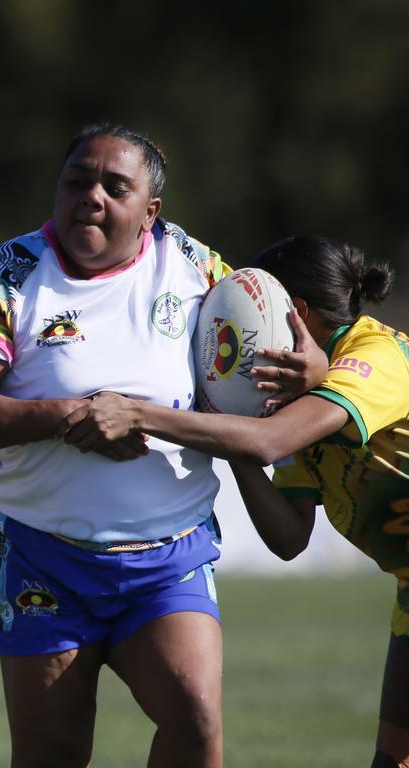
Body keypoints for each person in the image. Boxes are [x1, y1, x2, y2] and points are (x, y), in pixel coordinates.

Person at [0, 122, 320, 768]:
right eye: (77, 181)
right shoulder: (5, 278)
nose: (92, 197)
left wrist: (317, 369)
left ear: (151, 212)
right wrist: (66, 415)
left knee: (196, 718)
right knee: (54, 753)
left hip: (169, 557)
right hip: (44, 560)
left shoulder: (195, 266)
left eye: (114, 186)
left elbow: (273, 341)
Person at [60, 234, 408, 767]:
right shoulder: (294, 403)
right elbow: (290, 537)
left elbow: (268, 442)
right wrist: (233, 426)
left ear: (295, 314)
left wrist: (138, 413)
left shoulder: (377, 356)